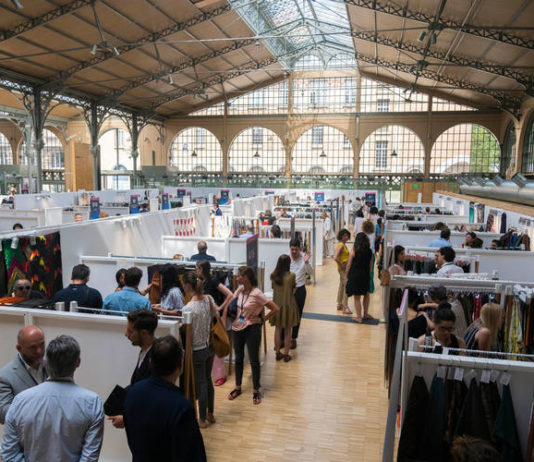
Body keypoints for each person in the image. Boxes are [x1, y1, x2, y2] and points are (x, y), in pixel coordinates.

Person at [1, 335, 104, 461]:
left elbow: (9, 454)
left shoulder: (20, 401)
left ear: (46, 362)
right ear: (78, 362)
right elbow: (89, 458)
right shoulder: (93, 403)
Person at [123, 335, 207, 462]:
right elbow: (193, 455)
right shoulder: (182, 407)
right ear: (181, 365)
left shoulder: (132, 392)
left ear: (150, 362)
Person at [227, 266, 279, 405]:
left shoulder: (257, 293)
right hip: (238, 328)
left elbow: (275, 308)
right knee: (239, 359)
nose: (237, 278)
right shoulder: (239, 290)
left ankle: (256, 390)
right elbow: (231, 303)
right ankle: (238, 387)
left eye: (240, 276)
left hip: (252, 329)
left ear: (247, 278)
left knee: (254, 360)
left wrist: (262, 319)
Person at [108, 309, 158, 429]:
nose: (126, 334)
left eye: (130, 331)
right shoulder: (144, 351)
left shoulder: (157, 359)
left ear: (144, 333)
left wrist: (127, 419)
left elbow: (152, 402)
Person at [181, 272, 215, 428]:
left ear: (188, 286)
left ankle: (201, 419)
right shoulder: (208, 300)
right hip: (210, 346)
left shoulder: (188, 308)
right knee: (208, 381)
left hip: (197, 349)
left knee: (201, 383)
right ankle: (210, 413)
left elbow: (186, 330)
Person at [196, 260, 233, 386]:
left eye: (197, 268)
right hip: (206, 316)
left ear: (201, 269)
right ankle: (214, 373)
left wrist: (220, 307)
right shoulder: (202, 282)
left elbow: (229, 294)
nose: (196, 270)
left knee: (217, 343)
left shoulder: (212, 281)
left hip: (213, 317)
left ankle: (220, 375)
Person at [0, 326, 46, 424]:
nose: (39, 351)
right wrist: (38, 413)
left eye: (42, 345)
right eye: (33, 347)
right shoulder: (5, 376)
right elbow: (3, 413)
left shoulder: (53, 365)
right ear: (19, 348)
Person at [270, 255, 299, 362]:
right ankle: (286, 355)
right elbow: (293, 290)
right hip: (289, 305)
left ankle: (277, 353)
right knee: (288, 331)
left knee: (278, 329)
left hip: (276, 305)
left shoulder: (273, 276)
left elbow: (274, 289)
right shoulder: (291, 276)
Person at [288, 238, 312, 349]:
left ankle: (293, 338)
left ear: (300, 249)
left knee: (297, 315)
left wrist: (307, 263)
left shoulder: (304, 258)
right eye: (292, 249)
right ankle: (284, 337)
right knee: (286, 314)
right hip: (287, 290)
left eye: (296, 250)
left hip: (300, 289)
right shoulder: (286, 258)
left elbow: (311, 273)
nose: (294, 252)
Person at [346, 232, 373, 324]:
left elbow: (349, 264)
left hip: (355, 275)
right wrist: (367, 274)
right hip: (365, 275)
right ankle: (365, 314)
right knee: (366, 294)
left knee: (357, 297)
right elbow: (370, 266)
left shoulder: (354, 250)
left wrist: (346, 276)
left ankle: (359, 317)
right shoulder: (369, 251)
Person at [334, 229, 351, 314]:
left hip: (343, 268)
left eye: (347, 236)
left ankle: (339, 303)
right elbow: (335, 257)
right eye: (345, 236)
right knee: (346, 285)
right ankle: (345, 306)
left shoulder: (342, 245)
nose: (347, 237)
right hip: (343, 268)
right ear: (341, 236)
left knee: (342, 285)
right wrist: (342, 265)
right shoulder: (341, 245)